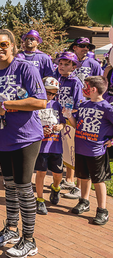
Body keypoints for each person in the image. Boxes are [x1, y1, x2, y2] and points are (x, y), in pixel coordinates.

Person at [0, 29, 47, 258]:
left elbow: (40, 102)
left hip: (25, 137)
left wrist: (8, 105)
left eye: (4, 44)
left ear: (13, 46)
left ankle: (29, 240)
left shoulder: (25, 68)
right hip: (1, 138)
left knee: (23, 187)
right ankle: (11, 229)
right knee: (8, 185)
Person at [63, 76, 112, 225]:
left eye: (86, 86)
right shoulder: (84, 105)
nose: (83, 88)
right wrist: (69, 115)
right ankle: (84, 201)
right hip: (80, 149)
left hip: (97, 151)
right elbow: (76, 124)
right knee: (83, 177)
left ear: (93, 89)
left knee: (98, 181)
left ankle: (102, 210)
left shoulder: (107, 107)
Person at [54, 52, 85, 199]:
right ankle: (69, 180)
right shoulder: (58, 79)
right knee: (65, 151)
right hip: (59, 118)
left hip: (71, 120)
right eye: (60, 64)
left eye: (66, 64)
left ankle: (78, 186)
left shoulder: (75, 82)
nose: (62, 66)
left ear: (73, 66)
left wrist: (68, 112)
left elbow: (78, 104)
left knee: (73, 151)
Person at [34, 77, 65, 215]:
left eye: (53, 94)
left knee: (58, 174)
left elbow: (64, 122)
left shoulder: (56, 105)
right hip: (41, 146)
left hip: (55, 145)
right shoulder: (35, 104)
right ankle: (40, 199)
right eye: (47, 92)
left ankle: (56, 188)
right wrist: (40, 131)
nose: (50, 96)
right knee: (41, 172)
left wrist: (61, 126)